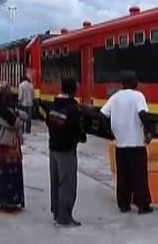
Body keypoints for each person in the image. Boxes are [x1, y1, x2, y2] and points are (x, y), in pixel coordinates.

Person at [100, 70, 153, 215]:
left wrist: (109, 133)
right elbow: (143, 113)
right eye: (135, 80)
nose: (137, 82)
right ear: (130, 82)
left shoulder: (115, 97)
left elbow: (102, 114)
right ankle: (143, 205)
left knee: (123, 176)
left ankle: (124, 204)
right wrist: (148, 131)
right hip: (136, 143)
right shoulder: (138, 96)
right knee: (139, 175)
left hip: (121, 144)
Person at [46, 77, 86, 227]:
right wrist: (80, 138)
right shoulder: (73, 108)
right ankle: (65, 217)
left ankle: (56, 212)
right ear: (74, 90)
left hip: (53, 148)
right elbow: (78, 127)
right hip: (67, 150)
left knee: (55, 182)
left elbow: (48, 123)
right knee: (67, 184)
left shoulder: (53, 105)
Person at [0, 81, 27, 213]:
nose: (10, 92)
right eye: (6, 90)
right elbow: (14, 123)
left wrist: (17, 115)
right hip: (5, 146)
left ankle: (14, 201)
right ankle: (7, 203)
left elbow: (24, 116)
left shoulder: (7, 107)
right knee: (6, 175)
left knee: (13, 173)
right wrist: (17, 117)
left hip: (12, 145)